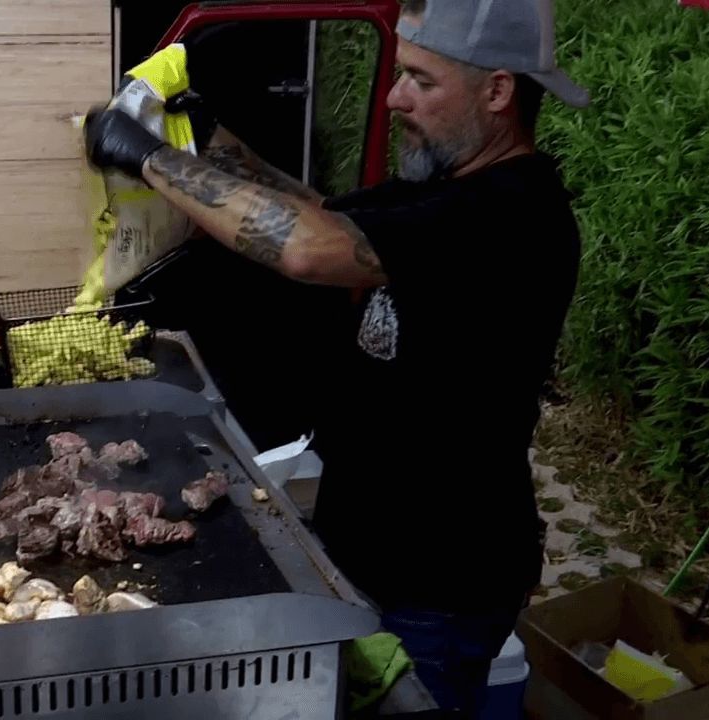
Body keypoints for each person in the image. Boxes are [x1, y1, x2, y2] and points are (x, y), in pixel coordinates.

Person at [83, 0, 587, 714]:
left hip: (440, 581)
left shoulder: (512, 213)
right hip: (368, 550)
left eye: (420, 80)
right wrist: (202, 134)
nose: (394, 96)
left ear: (499, 91)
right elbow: (316, 210)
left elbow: (309, 249)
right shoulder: (446, 188)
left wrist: (148, 157)